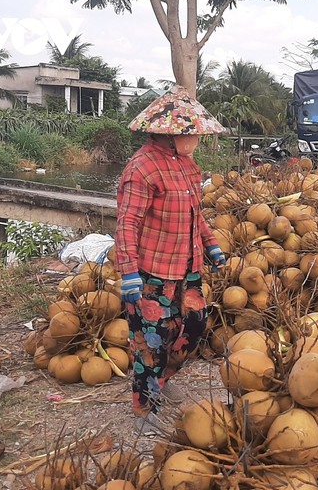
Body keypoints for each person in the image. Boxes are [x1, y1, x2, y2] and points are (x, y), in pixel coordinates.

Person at [114, 85, 226, 432]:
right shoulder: (142, 168)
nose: (196, 139)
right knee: (150, 339)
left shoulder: (188, 167)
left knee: (194, 326)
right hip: (152, 272)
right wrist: (128, 271)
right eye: (190, 133)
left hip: (189, 266)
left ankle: (160, 380)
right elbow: (127, 222)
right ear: (169, 133)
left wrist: (211, 245)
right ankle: (143, 406)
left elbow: (197, 215)